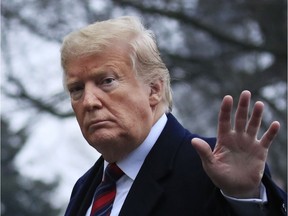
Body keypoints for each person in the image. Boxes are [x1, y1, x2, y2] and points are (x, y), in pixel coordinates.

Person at [61, 16, 286, 216]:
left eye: (107, 81)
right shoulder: (85, 188)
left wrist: (244, 198)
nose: (89, 101)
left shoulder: (216, 168)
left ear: (154, 89)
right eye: (77, 89)